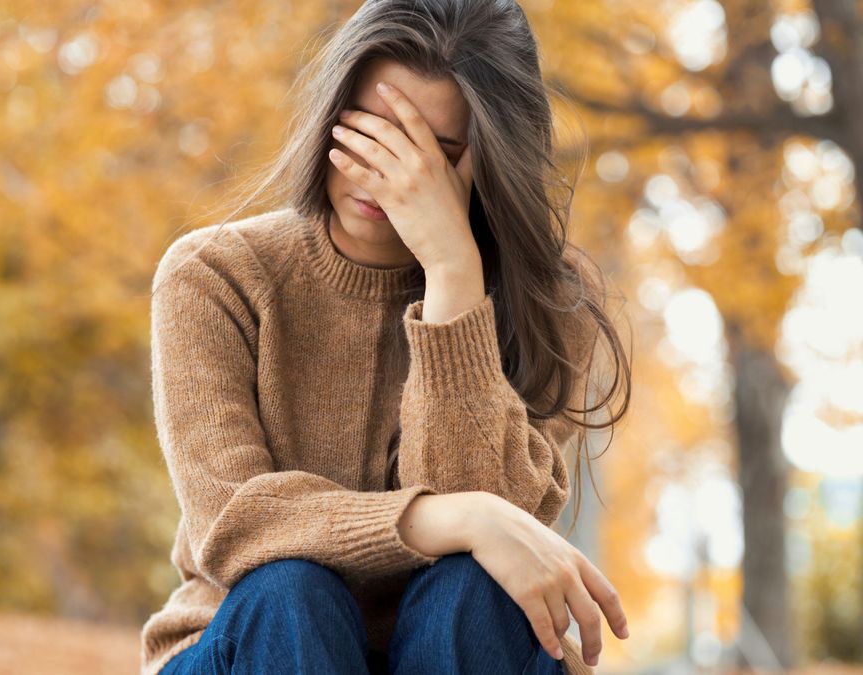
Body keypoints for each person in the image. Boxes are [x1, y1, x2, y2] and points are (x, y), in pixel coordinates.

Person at [140, 0, 633, 673]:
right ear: (329, 115)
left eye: (438, 152)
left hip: (458, 647)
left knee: (474, 589)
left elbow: (492, 550)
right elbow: (236, 523)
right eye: (369, 133)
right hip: (248, 643)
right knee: (292, 589)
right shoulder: (213, 275)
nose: (389, 174)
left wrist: (453, 275)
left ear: (490, 161)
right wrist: (461, 519)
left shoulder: (551, 302)